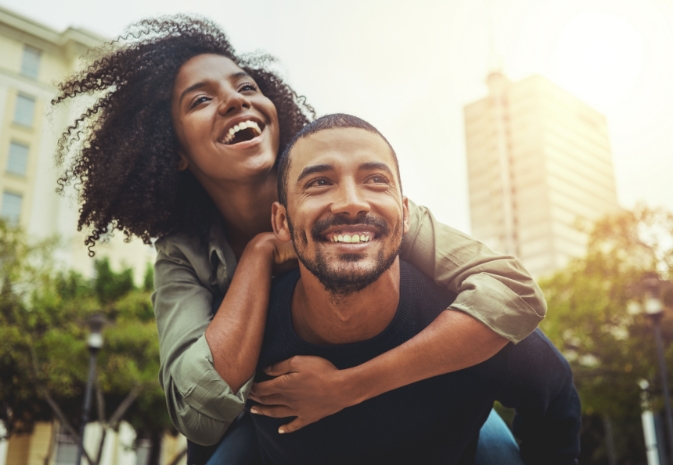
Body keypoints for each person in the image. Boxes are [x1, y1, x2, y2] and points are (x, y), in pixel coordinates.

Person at [52, 16, 548, 464]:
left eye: (246, 85)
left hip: (419, 400)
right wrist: (260, 253)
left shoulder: (355, 202)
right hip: (280, 426)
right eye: (201, 100)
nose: (234, 100)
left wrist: (349, 387)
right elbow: (197, 411)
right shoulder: (182, 255)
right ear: (174, 151)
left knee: (500, 451)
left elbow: (512, 294)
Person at [248, 113, 581, 465]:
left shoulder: (473, 322)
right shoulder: (253, 329)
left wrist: (347, 387)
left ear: (406, 215)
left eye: (375, 180)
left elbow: (554, 392)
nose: (351, 202)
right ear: (282, 221)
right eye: (319, 182)